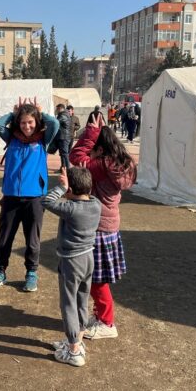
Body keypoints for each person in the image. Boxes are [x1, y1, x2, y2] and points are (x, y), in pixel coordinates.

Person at [69, 114, 137, 340]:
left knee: (97, 280)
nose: (91, 153)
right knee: (98, 278)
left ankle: (107, 322)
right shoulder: (118, 164)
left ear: (101, 148)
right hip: (109, 227)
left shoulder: (102, 165)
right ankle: (101, 317)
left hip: (98, 229)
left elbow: (76, 157)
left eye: (94, 149)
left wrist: (90, 134)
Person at [0, 97, 59, 293]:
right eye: (23, 122)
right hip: (11, 197)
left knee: (32, 239)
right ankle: (0, 271)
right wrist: (15, 112)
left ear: (36, 123)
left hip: (35, 198)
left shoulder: (44, 139)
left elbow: (55, 123)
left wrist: (39, 112)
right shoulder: (12, 138)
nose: (26, 126)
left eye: (30, 122)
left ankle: (31, 273)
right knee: (5, 238)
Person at [42, 166, 101, 367]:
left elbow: (46, 201)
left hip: (72, 261)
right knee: (81, 300)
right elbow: (83, 194)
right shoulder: (96, 204)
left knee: (68, 303)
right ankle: (76, 341)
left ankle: (74, 350)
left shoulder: (71, 208)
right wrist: (76, 182)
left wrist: (62, 187)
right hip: (88, 258)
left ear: (70, 191)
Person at [54, 103, 72, 172]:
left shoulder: (63, 115)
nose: (56, 110)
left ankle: (68, 170)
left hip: (64, 137)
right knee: (62, 154)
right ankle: (63, 168)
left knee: (64, 154)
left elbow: (56, 122)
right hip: (62, 137)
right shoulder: (62, 114)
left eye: (57, 109)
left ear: (60, 108)